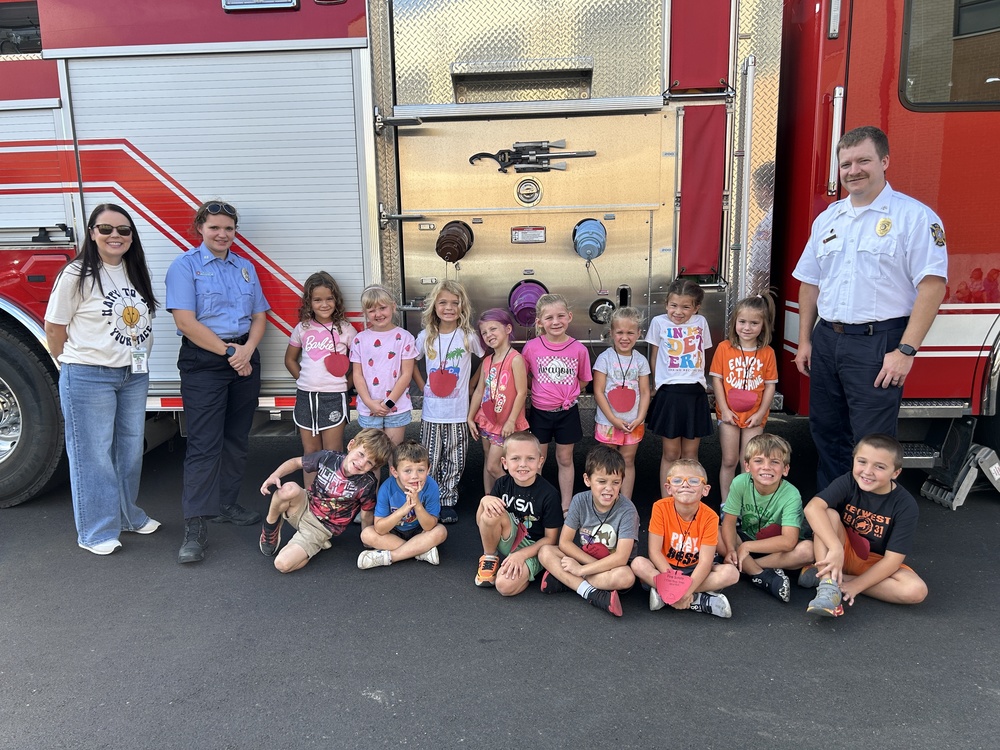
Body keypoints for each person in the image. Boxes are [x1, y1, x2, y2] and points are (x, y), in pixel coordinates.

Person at [793, 125, 948, 489]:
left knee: (873, 444)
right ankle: (831, 517)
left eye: (863, 160)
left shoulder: (914, 217)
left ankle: (868, 528)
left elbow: (932, 287)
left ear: (884, 161)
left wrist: (905, 351)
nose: (853, 170)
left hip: (879, 343)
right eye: (846, 163)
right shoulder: (828, 219)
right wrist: (805, 341)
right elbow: (810, 284)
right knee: (826, 432)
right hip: (828, 339)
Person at [44, 203, 160, 555]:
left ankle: (128, 516)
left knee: (129, 451)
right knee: (92, 456)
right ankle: (95, 532)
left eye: (123, 230)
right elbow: (54, 327)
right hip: (89, 375)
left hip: (133, 374)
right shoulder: (76, 274)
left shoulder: (133, 270)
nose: (115, 236)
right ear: (92, 232)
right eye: (106, 228)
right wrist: (74, 363)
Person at [165, 200, 270, 564]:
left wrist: (246, 351)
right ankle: (195, 526)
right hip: (205, 362)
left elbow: (259, 316)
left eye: (228, 228)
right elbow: (186, 323)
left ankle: (226, 504)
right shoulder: (185, 267)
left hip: (244, 357)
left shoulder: (245, 267)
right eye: (215, 228)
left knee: (237, 439)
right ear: (200, 229)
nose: (222, 234)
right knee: (204, 445)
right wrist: (230, 353)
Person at [800, 433, 928, 617]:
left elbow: (892, 561)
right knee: (827, 514)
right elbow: (812, 508)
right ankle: (827, 586)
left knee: (916, 590)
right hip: (841, 552)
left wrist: (856, 586)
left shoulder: (905, 505)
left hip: (876, 562)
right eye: (862, 462)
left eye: (879, 467)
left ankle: (835, 579)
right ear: (853, 460)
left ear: (896, 473)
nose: (867, 471)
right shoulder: (849, 481)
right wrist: (836, 547)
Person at [257, 428, 394, 573]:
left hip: (320, 527)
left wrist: (367, 541)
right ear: (351, 445)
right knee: (288, 489)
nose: (361, 463)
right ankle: (270, 526)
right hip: (306, 504)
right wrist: (275, 475)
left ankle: (315, 545)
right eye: (360, 454)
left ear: (374, 468)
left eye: (369, 463)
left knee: (282, 564)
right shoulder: (329, 457)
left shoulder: (367, 483)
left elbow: (366, 513)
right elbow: (296, 462)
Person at [537, 446, 639, 617]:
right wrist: (587, 566)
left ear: (622, 482)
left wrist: (581, 570)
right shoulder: (579, 500)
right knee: (545, 551)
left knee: (626, 577)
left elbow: (621, 557)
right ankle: (591, 593)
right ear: (587, 479)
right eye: (602, 481)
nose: (609, 489)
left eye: (615, 482)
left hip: (613, 567)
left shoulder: (627, 510)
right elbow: (565, 542)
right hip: (587, 561)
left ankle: (566, 581)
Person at [630, 459, 739, 617]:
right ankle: (699, 599)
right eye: (677, 480)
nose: (685, 485)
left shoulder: (710, 517)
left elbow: (705, 562)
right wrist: (674, 584)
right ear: (668, 488)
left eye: (694, 481)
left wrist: (684, 590)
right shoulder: (660, 508)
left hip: (695, 571)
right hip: (665, 568)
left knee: (731, 573)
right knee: (638, 564)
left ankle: (667, 596)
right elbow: (654, 552)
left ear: (705, 490)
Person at [413, 280, 483, 524]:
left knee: (455, 458)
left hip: (458, 412)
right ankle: (429, 499)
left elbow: (487, 358)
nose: (449, 308)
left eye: (455, 303)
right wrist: (423, 387)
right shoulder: (426, 337)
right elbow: (410, 360)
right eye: (443, 303)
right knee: (429, 457)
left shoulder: (468, 336)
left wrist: (473, 384)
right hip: (432, 412)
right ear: (434, 306)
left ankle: (447, 500)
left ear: (462, 307)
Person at [718, 434, 814, 602]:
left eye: (775, 462)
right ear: (747, 466)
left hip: (777, 550)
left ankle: (746, 567)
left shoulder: (791, 494)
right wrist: (732, 549)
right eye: (759, 461)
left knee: (808, 550)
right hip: (743, 543)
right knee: (714, 529)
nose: (766, 467)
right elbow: (729, 523)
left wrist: (746, 547)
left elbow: (789, 541)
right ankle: (760, 575)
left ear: (785, 469)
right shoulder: (740, 482)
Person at [521, 294, 592, 514]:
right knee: (537, 460)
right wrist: (541, 392)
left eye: (561, 316)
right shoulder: (532, 348)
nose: (556, 322)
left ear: (569, 317)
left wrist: (568, 394)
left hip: (567, 412)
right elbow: (524, 377)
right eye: (549, 317)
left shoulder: (578, 349)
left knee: (564, 458)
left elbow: (584, 379)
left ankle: (566, 505)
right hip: (540, 412)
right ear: (539, 322)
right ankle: (537, 502)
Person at [284, 271, 355, 488]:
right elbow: (290, 360)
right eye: (317, 300)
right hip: (306, 396)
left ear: (337, 300)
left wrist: (345, 385)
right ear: (309, 302)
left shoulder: (346, 329)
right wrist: (304, 379)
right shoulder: (302, 328)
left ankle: (333, 501)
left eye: (329, 299)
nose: (324, 304)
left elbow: (358, 365)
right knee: (311, 452)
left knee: (333, 453)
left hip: (333, 397)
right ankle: (310, 501)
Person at [644, 278, 714, 491]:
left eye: (686, 307)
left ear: (696, 307)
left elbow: (703, 352)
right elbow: (654, 356)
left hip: (695, 393)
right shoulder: (659, 323)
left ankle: (691, 497)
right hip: (670, 393)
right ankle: (667, 502)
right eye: (673, 305)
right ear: (666, 304)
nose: (678, 311)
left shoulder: (701, 323)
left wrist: (704, 381)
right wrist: (655, 384)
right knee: (671, 453)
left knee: (691, 455)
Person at [473, 431, 562, 596]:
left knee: (503, 586)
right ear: (504, 463)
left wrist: (521, 555)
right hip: (509, 538)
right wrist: (484, 501)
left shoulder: (549, 494)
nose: (523, 464)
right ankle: (490, 557)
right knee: (490, 510)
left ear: (540, 462)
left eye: (530, 458)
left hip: (533, 548)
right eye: (515, 459)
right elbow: (481, 521)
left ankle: (533, 571)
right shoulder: (501, 484)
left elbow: (551, 540)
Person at [709, 292, 779, 501]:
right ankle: (727, 504)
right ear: (735, 322)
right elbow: (717, 381)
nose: (747, 328)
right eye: (742, 322)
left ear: (763, 326)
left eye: (754, 323)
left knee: (749, 463)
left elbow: (769, 386)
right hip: (728, 416)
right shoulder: (725, 348)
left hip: (754, 417)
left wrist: (760, 414)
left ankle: (745, 504)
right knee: (729, 460)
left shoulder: (767, 352)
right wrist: (724, 410)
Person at [591, 306, 651, 502]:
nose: (625, 337)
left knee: (627, 461)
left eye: (630, 333)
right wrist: (613, 419)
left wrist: (640, 418)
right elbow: (598, 391)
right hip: (608, 422)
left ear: (638, 334)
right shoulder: (604, 358)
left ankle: (625, 502)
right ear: (611, 333)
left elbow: (644, 391)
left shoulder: (640, 361)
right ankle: (605, 499)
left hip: (633, 422)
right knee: (606, 461)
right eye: (620, 333)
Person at [357, 440, 447, 569]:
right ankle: (420, 551)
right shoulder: (387, 488)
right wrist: (404, 509)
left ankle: (390, 557)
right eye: (408, 471)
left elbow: (429, 526)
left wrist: (417, 504)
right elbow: (380, 528)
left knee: (440, 531)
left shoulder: (431, 486)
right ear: (394, 472)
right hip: (394, 532)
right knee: (366, 534)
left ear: (428, 469)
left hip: (419, 532)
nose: (415, 476)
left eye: (421, 470)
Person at [467, 308, 529, 493]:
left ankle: (518, 493)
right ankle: (489, 498)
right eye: (484, 332)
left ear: (508, 329)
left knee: (494, 466)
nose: (488, 335)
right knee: (488, 460)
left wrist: (511, 421)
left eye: (493, 329)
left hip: (505, 422)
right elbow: (479, 391)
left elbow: (521, 393)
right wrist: (470, 417)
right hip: (488, 419)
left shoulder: (515, 359)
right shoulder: (487, 361)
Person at [349, 285, 416, 447]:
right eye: (371, 310)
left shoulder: (405, 337)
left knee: (394, 453)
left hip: (396, 407)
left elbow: (406, 374)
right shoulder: (360, 339)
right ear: (365, 313)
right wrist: (369, 402)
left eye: (382, 308)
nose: (378, 314)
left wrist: (389, 403)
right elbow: (357, 375)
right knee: (371, 458)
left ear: (393, 307)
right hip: (369, 407)